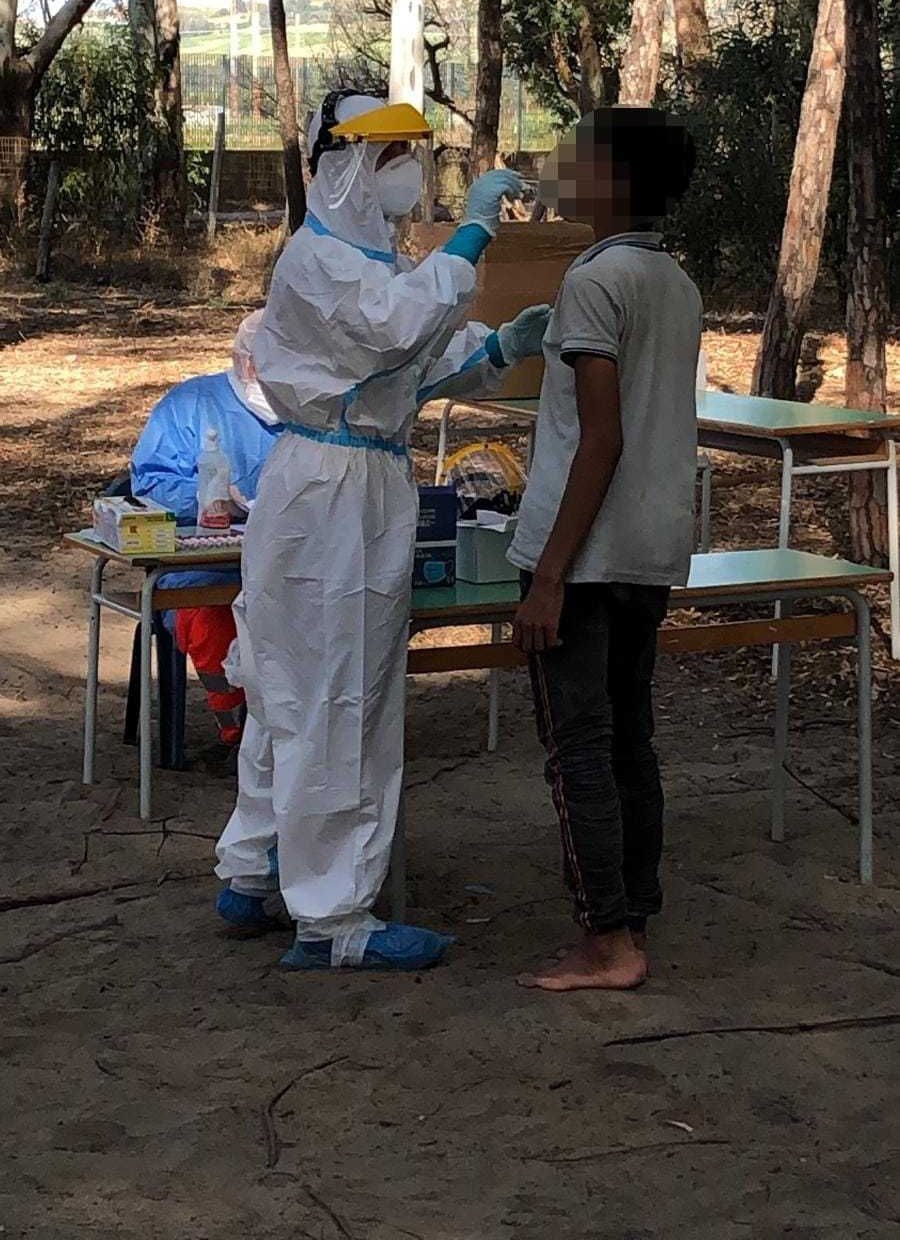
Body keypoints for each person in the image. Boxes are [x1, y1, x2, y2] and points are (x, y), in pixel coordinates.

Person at [215, 91, 551, 968]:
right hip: (336, 496)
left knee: (288, 684)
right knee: (341, 697)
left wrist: (497, 348)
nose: (414, 172)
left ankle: (254, 869)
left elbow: (406, 361)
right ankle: (333, 921)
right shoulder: (320, 263)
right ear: (353, 165)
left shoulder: (359, 262)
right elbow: (397, 326)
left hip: (329, 485)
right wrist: (474, 234)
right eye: (398, 155)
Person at [509, 106, 702, 993]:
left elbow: (600, 437)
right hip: (648, 549)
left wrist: (548, 573)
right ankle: (635, 916)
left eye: (577, 160)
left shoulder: (594, 283)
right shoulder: (674, 281)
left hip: (586, 558)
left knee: (578, 747)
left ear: (614, 180)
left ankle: (607, 941)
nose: (562, 170)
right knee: (630, 741)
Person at [131, 312, 284, 748]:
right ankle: (238, 725)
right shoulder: (190, 404)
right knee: (212, 614)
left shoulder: (312, 410)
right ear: (244, 362)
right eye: (266, 365)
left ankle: (299, 727)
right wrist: (207, 497)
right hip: (206, 567)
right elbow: (150, 481)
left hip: (288, 560)